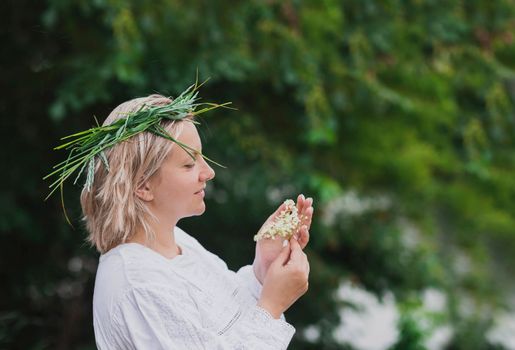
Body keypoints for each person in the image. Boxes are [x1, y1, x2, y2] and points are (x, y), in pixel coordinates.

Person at [79, 93, 314, 349]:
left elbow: (225, 327)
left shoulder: (178, 242)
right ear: (143, 185)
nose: (208, 172)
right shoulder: (139, 285)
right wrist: (272, 307)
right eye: (189, 164)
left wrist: (263, 272)